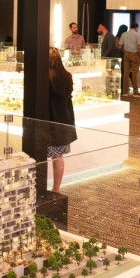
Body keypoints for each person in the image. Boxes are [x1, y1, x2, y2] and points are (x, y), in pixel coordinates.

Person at [48, 47, 77, 193]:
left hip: (47, 123)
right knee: (58, 157)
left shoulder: (45, 78)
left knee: (38, 158)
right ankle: (56, 189)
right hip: (63, 123)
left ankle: (38, 190)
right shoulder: (67, 76)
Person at [118, 22, 140, 97]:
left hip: (125, 54)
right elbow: (139, 47)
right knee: (134, 74)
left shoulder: (124, 34)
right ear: (136, 27)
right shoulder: (137, 35)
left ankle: (125, 91)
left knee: (126, 73)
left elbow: (120, 46)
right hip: (135, 55)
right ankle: (135, 92)